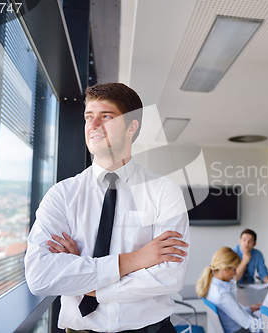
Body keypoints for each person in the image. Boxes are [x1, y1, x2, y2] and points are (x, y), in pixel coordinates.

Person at [24, 83, 190, 333]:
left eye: (107, 116)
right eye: (89, 117)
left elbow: (169, 277)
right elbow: (40, 277)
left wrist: (79, 277)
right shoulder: (62, 195)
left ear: (131, 127)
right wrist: (135, 260)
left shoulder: (164, 191)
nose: (93, 125)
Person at [196, 247, 268, 333]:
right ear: (225, 269)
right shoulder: (223, 295)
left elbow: (231, 313)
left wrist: (249, 309)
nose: (235, 274)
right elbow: (254, 327)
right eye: (234, 269)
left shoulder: (212, 287)